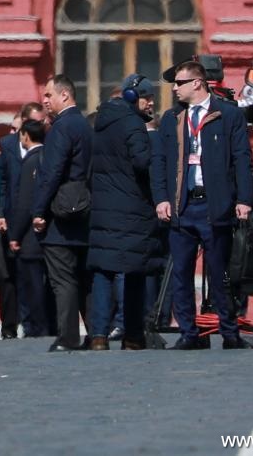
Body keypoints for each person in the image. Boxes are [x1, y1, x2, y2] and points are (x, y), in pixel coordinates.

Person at [152, 61, 253, 350]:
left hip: (215, 206)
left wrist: (244, 199)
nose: (174, 89)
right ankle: (188, 333)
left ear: (197, 83)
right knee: (181, 273)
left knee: (220, 273)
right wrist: (161, 198)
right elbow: (158, 162)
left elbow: (242, 160)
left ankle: (230, 333)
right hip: (182, 207)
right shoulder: (172, 118)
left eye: (179, 83)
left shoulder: (227, 115)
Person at [86, 74, 158, 351]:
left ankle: (99, 335)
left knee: (104, 272)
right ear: (131, 97)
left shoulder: (102, 123)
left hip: (104, 208)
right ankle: (133, 335)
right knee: (135, 272)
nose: (151, 103)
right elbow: (142, 163)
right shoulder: (134, 125)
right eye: (147, 97)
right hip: (132, 207)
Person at [30, 75, 93, 352]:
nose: (44, 100)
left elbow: (51, 172)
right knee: (86, 278)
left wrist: (39, 210)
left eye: (48, 95)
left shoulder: (61, 127)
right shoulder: (85, 125)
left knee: (63, 278)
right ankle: (98, 333)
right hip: (85, 209)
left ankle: (67, 337)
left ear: (64, 95)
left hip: (61, 214)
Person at [0, 102, 45, 339]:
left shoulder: (45, 147)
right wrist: (1, 213)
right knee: (10, 278)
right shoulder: (6, 145)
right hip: (11, 217)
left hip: (36, 221)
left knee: (35, 277)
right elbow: (2, 181)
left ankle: (35, 325)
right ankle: (9, 327)